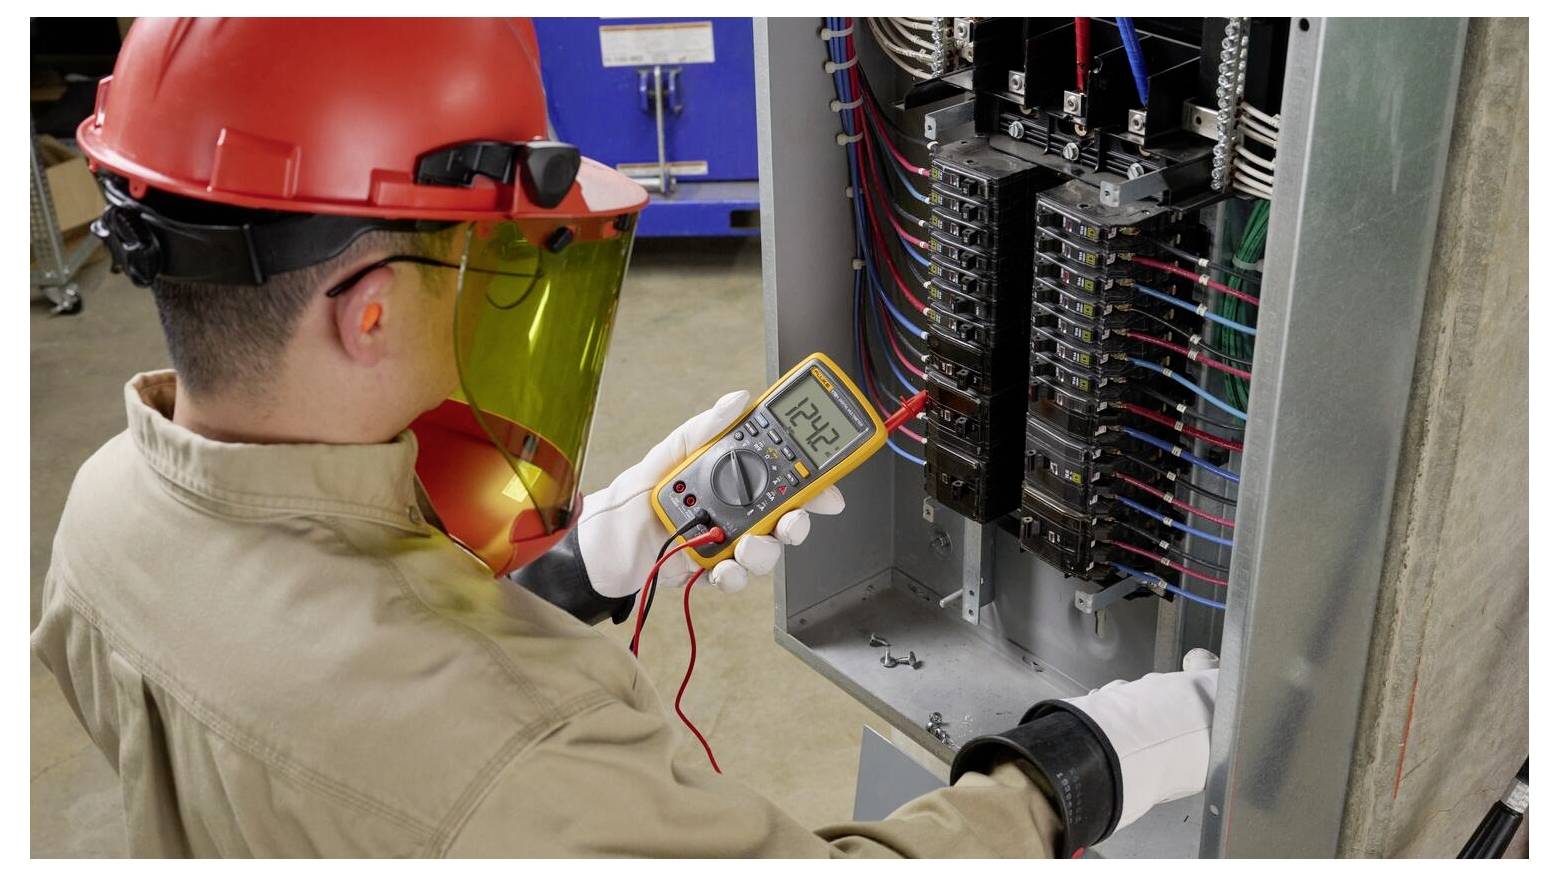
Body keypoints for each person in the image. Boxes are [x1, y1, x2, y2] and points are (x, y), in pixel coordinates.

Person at [31, 18, 1220, 858]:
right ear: (372, 310)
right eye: (491, 261)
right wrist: (1068, 771)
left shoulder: (100, 514)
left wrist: (578, 568)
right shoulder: (514, 744)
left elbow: (317, 697)